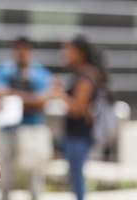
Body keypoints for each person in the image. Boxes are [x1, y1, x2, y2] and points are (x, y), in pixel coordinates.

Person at [0, 37, 54, 200]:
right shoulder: (3, 69)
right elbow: (0, 93)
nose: (22, 54)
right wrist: (30, 99)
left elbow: (42, 100)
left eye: (25, 50)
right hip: (8, 129)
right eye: (19, 49)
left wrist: (14, 96)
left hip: (32, 129)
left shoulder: (40, 73)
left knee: (34, 176)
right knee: (5, 176)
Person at [57, 35, 111, 200]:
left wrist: (58, 94)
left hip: (78, 135)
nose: (65, 53)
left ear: (80, 52)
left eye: (69, 50)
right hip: (76, 135)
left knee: (77, 180)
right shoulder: (82, 73)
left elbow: (78, 108)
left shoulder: (85, 75)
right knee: (74, 178)